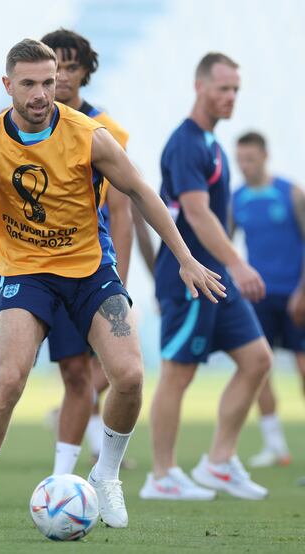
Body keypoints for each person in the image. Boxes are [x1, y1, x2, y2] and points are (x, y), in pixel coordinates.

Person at [0, 39, 224, 529]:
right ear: (8, 85)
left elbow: (139, 191)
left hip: (90, 271)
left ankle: (106, 475)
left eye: (48, 82)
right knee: (7, 379)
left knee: (130, 376)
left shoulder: (88, 135)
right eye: (29, 83)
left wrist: (185, 258)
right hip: (26, 273)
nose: (41, 94)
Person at [0, 28, 134, 507]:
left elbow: (127, 207)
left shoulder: (99, 131)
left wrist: (117, 279)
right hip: (18, 263)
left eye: (62, 69)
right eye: (38, 77)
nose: (51, 83)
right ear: (14, 83)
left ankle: (66, 483)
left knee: (79, 373)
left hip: (82, 264)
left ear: (81, 71)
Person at [140, 54, 271, 502]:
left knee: (258, 360)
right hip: (189, 277)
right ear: (200, 87)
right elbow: (195, 212)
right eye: (223, 89)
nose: (231, 97)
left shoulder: (213, 144)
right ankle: (161, 475)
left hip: (217, 276)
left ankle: (218, 463)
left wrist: (229, 267)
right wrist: (237, 262)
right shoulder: (186, 143)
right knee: (179, 374)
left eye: (236, 89)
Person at [231, 131, 305, 468]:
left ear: (265, 156)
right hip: (256, 296)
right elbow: (225, 244)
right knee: (259, 367)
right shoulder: (237, 200)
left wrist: (302, 291)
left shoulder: (291, 194)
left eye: (250, 159)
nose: (245, 166)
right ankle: (275, 446)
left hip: (295, 295)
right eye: (240, 160)